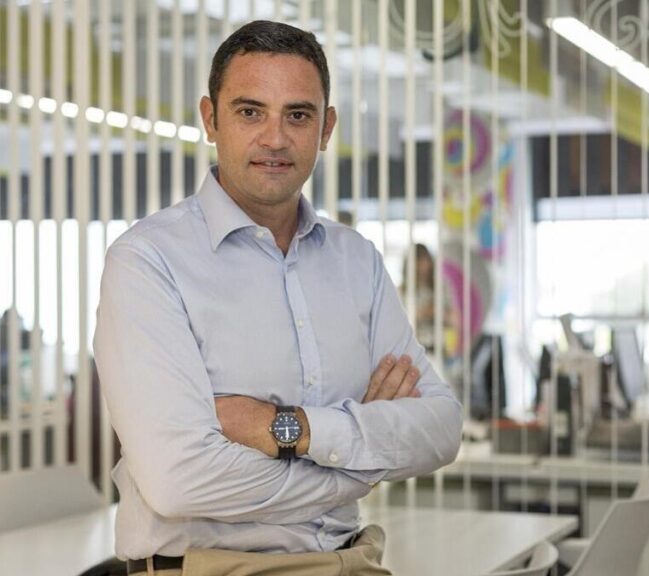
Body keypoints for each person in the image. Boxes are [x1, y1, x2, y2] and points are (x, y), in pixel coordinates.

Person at [93, 20, 462, 576]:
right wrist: (363, 464)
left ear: (326, 127)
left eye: (298, 115)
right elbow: (179, 480)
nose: (275, 138)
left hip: (352, 561)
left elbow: (441, 427)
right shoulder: (148, 261)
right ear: (211, 119)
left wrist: (290, 429)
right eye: (250, 112)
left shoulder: (356, 261)